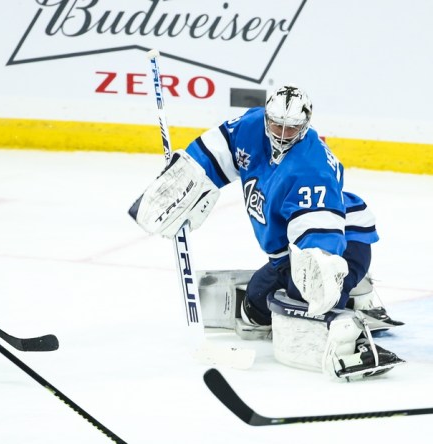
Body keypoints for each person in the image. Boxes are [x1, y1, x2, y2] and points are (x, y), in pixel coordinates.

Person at [129, 85, 404, 379]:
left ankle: (350, 300)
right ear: (266, 118)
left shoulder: (310, 168)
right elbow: (214, 152)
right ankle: (353, 288)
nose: (282, 134)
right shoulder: (250, 127)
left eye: (292, 128)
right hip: (289, 250)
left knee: (310, 297)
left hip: (341, 243)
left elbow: (319, 237)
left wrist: (322, 278)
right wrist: (186, 182)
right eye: (276, 125)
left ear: (305, 125)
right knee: (255, 309)